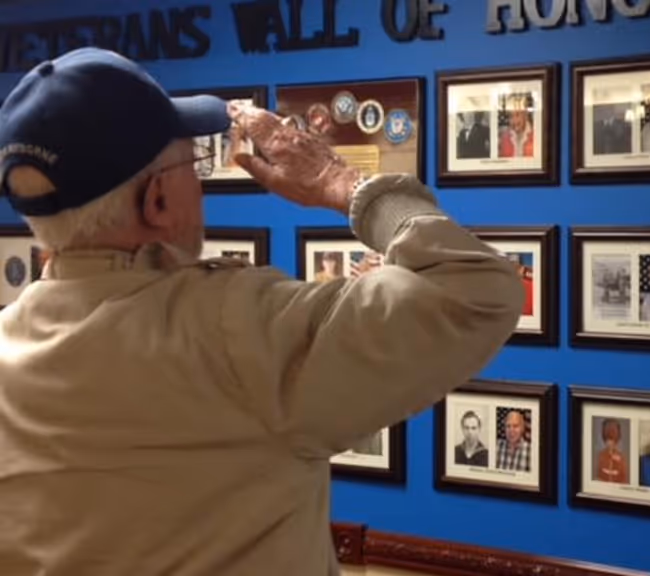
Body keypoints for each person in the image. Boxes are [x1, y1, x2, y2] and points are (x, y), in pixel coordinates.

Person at [0, 47, 525, 576]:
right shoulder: (240, 332)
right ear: (157, 199)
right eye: (193, 165)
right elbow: (478, 289)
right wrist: (338, 183)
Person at [595, 418, 628, 484]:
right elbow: (597, 477)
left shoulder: (622, 458)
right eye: (608, 441)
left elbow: (624, 481)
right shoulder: (601, 455)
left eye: (613, 441)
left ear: (616, 441)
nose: (610, 444)